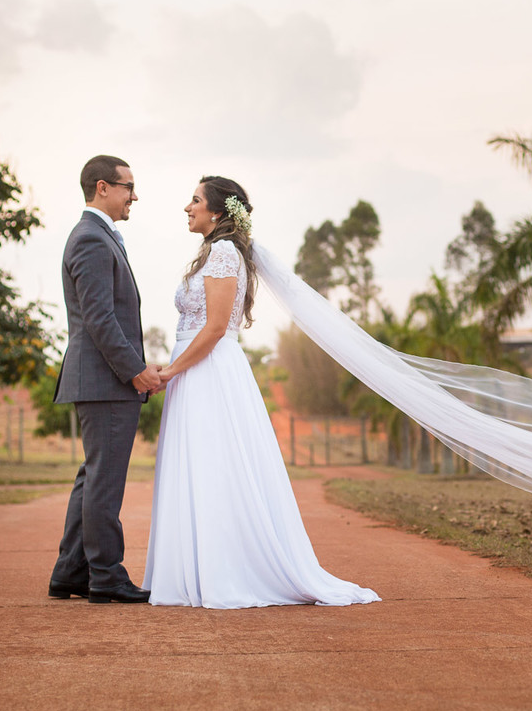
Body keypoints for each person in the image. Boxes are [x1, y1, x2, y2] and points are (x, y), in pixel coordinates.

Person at [142, 176, 379, 608]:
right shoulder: (212, 253)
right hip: (198, 372)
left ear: (216, 212)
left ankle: (224, 570)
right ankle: (194, 568)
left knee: (215, 466)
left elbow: (215, 328)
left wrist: (171, 370)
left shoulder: (223, 253)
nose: (187, 207)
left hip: (206, 373)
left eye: (194, 200)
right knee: (202, 465)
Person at [49, 155, 161, 605]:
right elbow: (99, 318)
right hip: (105, 381)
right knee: (104, 481)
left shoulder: (96, 236)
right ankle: (106, 576)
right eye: (128, 187)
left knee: (92, 477)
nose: (135, 195)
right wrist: (135, 372)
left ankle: (70, 572)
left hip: (99, 381)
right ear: (102, 187)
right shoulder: (92, 239)